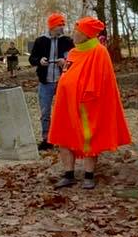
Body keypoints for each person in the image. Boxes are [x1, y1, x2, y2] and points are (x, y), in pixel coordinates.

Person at [47, 17, 131, 188]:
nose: (73, 34)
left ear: (86, 34)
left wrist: (85, 97)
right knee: (63, 135)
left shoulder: (99, 52)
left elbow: (103, 81)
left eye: (76, 31)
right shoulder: (73, 52)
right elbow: (68, 73)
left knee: (89, 138)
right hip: (66, 103)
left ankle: (88, 175)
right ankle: (68, 174)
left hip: (88, 105)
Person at [28, 13, 74, 150]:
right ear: (52, 26)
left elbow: (74, 59)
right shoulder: (40, 41)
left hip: (63, 82)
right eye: (60, 25)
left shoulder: (67, 41)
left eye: (63, 24)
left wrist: (65, 62)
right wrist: (40, 61)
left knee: (65, 112)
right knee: (45, 112)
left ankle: (65, 138)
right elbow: (32, 59)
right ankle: (46, 139)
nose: (62, 27)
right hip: (45, 82)